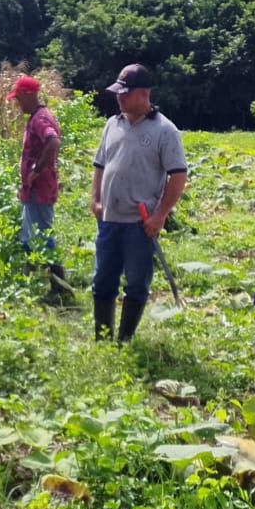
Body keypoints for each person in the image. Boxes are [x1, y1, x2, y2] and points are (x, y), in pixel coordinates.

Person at [89, 64, 188, 342]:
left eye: (125, 93)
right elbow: (100, 165)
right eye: (117, 92)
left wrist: (160, 216)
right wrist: (95, 199)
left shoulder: (164, 130)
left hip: (139, 223)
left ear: (144, 94)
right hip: (109, 219)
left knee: (135, 282)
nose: (119, 98)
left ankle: (125, 339)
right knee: (102, 280)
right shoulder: (112, 124)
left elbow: (178, 176)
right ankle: (103, 338)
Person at [7, 75, 70, 302]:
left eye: (18, 99)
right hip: (33, 189)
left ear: (28, 96)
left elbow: (53, 142)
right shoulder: (37, 117)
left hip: (40, 189)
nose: (17, 103)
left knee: (43, 235)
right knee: (29, 235)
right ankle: (31, 281)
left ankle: (59, 285)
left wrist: (35, 170)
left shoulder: (40, 119)